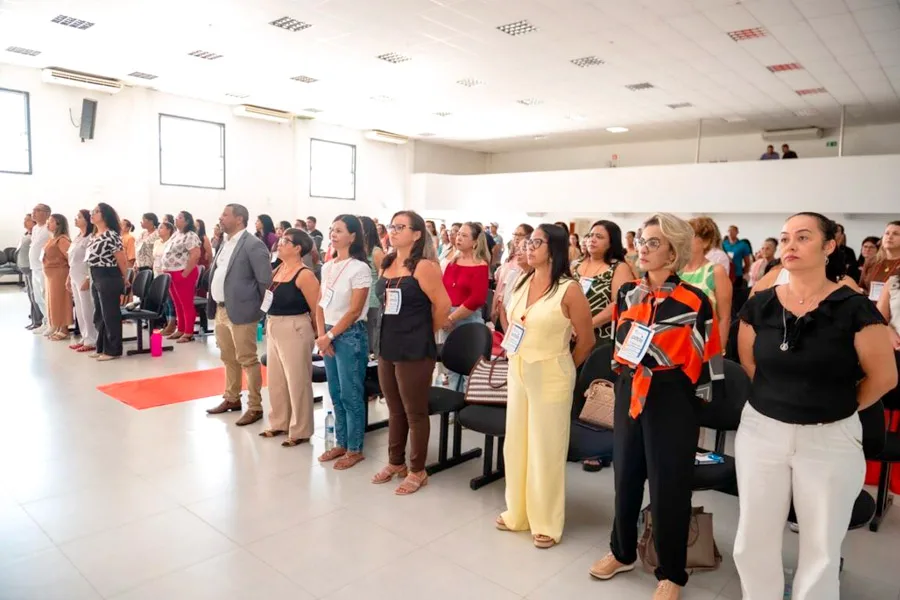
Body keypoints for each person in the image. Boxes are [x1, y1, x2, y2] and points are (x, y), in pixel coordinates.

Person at [734, 212, 896, 600]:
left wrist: (838, 405)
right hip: (762, 430)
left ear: (828, 247)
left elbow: (884, 377)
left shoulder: (855, 309)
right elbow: (750, 363)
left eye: (803, 237)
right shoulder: (761, 304)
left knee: (821, 548)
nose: (790, 245)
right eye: (785, 237)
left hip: (830, 437)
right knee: (751, 540)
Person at [590, 213, 723, 600]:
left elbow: (710, 356)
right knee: (625, 476)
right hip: (631, 388)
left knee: (669, 485)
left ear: (673, 250)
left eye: (652, 243)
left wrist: (697, 406)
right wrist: (621, 372)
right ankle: (622, 551)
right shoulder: (628, 292)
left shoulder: (695, 299)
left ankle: (671, 571)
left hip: (672, 393)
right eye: (641, 241)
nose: (641, 249)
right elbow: (619, 339)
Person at [497, 224, 594, 548]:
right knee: (517, 443)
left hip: (551, 372)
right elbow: (511, 321)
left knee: (546, 448)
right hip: (519, 369)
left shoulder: (569, 289)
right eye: (527, 242)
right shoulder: (524, 280)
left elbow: (586, 340)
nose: (528, 247)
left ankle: (547, 522)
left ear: (553, 248)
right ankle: (518, 512)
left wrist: (563, 366)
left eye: (535, 242)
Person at [373, 211, 451, 494]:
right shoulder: (388, 261)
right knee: (394, 409)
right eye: (392, 226)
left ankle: (418, 469)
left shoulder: (425, 266)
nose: (393, 231)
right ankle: (396, 462)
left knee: (414, 412)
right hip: (387, 343)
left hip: (415, 346)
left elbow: (443, 305)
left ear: (417, 234)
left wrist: (424, 331)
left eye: (400, 227)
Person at [206, 204, 273, 426]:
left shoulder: (253, 245)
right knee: (228, 357)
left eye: (225, 214)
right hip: (221, 309)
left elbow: (265, 281)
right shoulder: (225, 243)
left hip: (243, 310)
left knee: (247, 359)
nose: (220, 218)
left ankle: (255, 406)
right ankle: (232, 398)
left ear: (239, 219)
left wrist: (261, 311)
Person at [315, 215, 372, 463]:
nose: (333, 234)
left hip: (349, 334)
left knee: (351, 393)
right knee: (336, 392)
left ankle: (355, 448)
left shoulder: (360, 268)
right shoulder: (327, 266)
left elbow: (354, 310)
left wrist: (329, 335)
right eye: (332, 229)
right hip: (328, 333)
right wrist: (321, 335)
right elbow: (320, 304)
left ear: (353, 236)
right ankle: (341, 442)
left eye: (339, 230)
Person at [259, 228, 321, 446]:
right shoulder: (279, 270)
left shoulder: (304, 274)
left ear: (298, 248)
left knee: (297, 380)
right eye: (281, 239)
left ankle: (301, 429)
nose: (280, 243)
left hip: (295, 326)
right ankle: (279, 422)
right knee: (276, 379)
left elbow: (316, 309)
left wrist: (317, 334)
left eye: (286, 241)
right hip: (274, 325)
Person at [441, 222, 490, 390]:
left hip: (466, 319)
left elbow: (476, 298)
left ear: (475, 242)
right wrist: (443, 316)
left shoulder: (480, 265)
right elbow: (443, 289)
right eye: (458, 234)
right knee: (451, 369)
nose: (458, 238)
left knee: (469, 371)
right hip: (447, 318)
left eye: (464, 235)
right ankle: (451, 413)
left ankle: (464, 411)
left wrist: (451, 317)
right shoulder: (452, 262)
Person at [573, 220, 633, 344]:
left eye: (599, 237)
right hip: (567, 333)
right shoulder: (575, 265)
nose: (592, 239)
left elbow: (618, 303)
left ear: (611, 243)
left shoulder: (618, 267)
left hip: (598, 337)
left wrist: (586, 327)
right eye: (591, 235)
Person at [680, 217, 733, 350]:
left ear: (706, 242)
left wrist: (718, 354)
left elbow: (724, 318)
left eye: (690, 236)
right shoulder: (676, 271)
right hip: (678, 346)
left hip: (706, 345)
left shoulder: (716, 271)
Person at [87, 203, 128, 361]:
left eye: (96, 212)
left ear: (105, 215)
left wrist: (126, 278)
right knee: (99, 314)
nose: (93, 214)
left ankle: (113, 350)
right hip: (95, 274)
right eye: (93, 211)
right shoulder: (94, 235)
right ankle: (102, 346)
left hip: (109, 275)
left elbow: (121, 259)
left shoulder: (111, 235)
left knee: (110, 314)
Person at [162, 211, 201, 343]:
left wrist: (185, 273)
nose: (176, 219)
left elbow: (195, 255)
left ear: (187, 221)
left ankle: (188, 332)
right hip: (172, 272)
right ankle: (180, 329)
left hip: (184, 272)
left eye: (179, 218)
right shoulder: (176, 235)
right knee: (177, 303)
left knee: (186, 303)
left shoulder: (190, 235)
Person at [67, 209, 98, 353]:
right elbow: (71, 259)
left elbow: (91, 260)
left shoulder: (90, 237)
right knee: (79, 309)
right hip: (74, 274)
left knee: (87, 308)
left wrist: (87, 278)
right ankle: (85, 336)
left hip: (84, 275)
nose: (76, 219)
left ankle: (92, 339)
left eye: (79, 217)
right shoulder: (78, 237)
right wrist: (68, 277)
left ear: (87, 219)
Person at [492, 224, 534, 325]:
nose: (516, 237)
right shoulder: (510, 258)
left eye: (520, 234)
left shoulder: (526, 262)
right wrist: (494, 306)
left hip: (512, 313)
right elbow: (500, 284)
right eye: (514, 234)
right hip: (501, 305)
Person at [42, 214, 73, 341]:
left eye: (51, 221)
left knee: (60, 301)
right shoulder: (52, 239)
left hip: (60, 273)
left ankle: (64, 329)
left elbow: (70, 258)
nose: (48, 223)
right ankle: (58, 326)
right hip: (51, 275)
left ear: (59, 224)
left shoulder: (62, 240)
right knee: (53, 301)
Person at [360, 216, 386, 356]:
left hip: (373, 302)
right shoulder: (357, 251)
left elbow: (383, 279)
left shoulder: (376, 252)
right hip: (359, 301)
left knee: (373, 340)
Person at [861, 221, 900, 296]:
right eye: (887, 233)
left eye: (895, 234)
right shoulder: (871, 261)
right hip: (869, 306)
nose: (889, 237)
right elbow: (862, 287)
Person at [29, 203, 51, 335]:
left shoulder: (48, 228)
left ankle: (51, 322)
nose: (34, 212)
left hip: (44, 267)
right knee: (38, 297)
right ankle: (45, 321)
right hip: (34, 267)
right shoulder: (36, 228)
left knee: (45, 296)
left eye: (37, 210)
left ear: (46, 213)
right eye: (33, 210)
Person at [153, 222, 177, 335]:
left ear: (169, 230)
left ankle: (172, 324)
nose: (159, 230)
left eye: (161, 228)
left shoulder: (171, 243)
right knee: (164, 301)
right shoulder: (157, 242)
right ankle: (167, 323)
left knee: (170, 300)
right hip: (157, 273)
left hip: (168, 273)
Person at [18, 214, 42, 330]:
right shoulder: (26, 234)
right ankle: (34, 319)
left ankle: (39, 321)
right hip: (25, 268)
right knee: (30, 295)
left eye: (27, 220)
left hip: (32, 267)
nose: (24, 222)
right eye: (24, 219)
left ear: (33, 222)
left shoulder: (35, 235)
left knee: (35, 295)